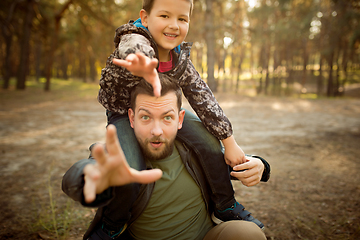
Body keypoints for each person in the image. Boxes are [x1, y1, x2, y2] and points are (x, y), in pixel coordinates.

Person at [97, 0, 270, 232]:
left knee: (207, 140)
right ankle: (112, 224)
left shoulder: (179, 58)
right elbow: (134, 46)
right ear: (145, 18)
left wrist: (230, 142)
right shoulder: (134, 36)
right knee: (129, 167)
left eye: (182, 19)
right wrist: (139, 62)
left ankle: (225, 203)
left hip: (165, 111)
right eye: (165, 16)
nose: (174, 25)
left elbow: (203, 97)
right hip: (124, 113)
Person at [62, 75, 270, 239]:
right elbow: (75, 179)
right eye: (146, 117)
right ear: (131, 118)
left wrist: (261, 165)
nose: (157, 130)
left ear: (180, 120)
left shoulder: (194, 151)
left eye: (167, 118)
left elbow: (222, 161)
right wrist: (90, 176)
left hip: (205, 236)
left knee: (248, 234)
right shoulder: (120, 156)